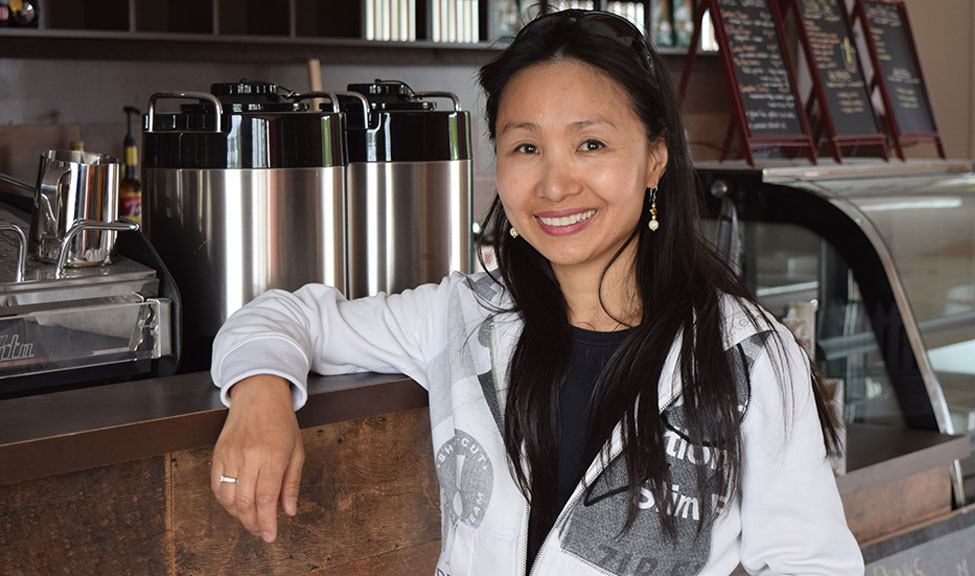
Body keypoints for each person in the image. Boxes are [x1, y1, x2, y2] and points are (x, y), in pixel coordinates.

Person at [209, 9, 865, 576]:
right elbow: (281, 317)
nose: (554, 186)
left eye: (590, 144)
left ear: (655, 158)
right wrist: (261, 394)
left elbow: (814, 565)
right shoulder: (465, 315)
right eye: (526, 147)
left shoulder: (745, 355)